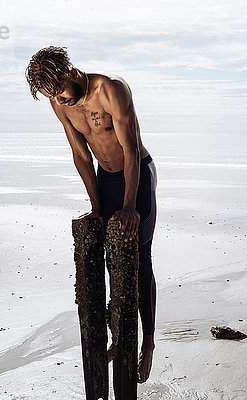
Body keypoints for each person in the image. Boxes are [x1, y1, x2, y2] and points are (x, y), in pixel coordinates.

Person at [25, 46, 157, 383]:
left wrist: (129, 207)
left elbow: (130, 148)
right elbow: (81, 155)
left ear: (71, 72)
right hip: (106, 179)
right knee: (111, 261)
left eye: (61, 93)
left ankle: (148, 344)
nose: (61, 101)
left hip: (137, 174)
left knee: (138, 258)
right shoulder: (59, 102)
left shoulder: (111, 90)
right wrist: (97, 207)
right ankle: (117, 338)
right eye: (52, 96)